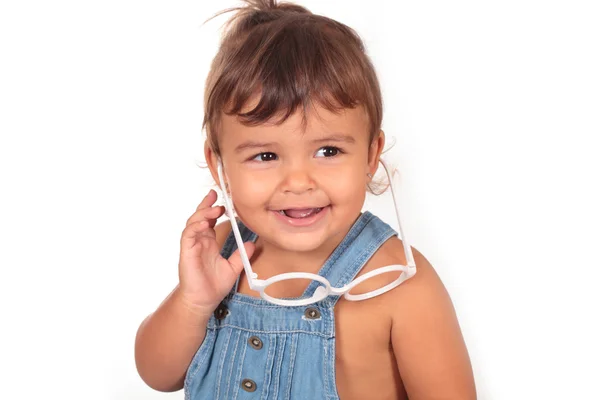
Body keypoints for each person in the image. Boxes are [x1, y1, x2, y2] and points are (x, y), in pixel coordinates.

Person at [134, 1, 476, 398]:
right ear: (220, 166)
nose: (298, 182)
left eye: (328, 151)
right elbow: (158, 375)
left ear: (370, 154)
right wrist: (194, 302)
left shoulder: (399, 283)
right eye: (265, 156)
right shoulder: (225, 254)